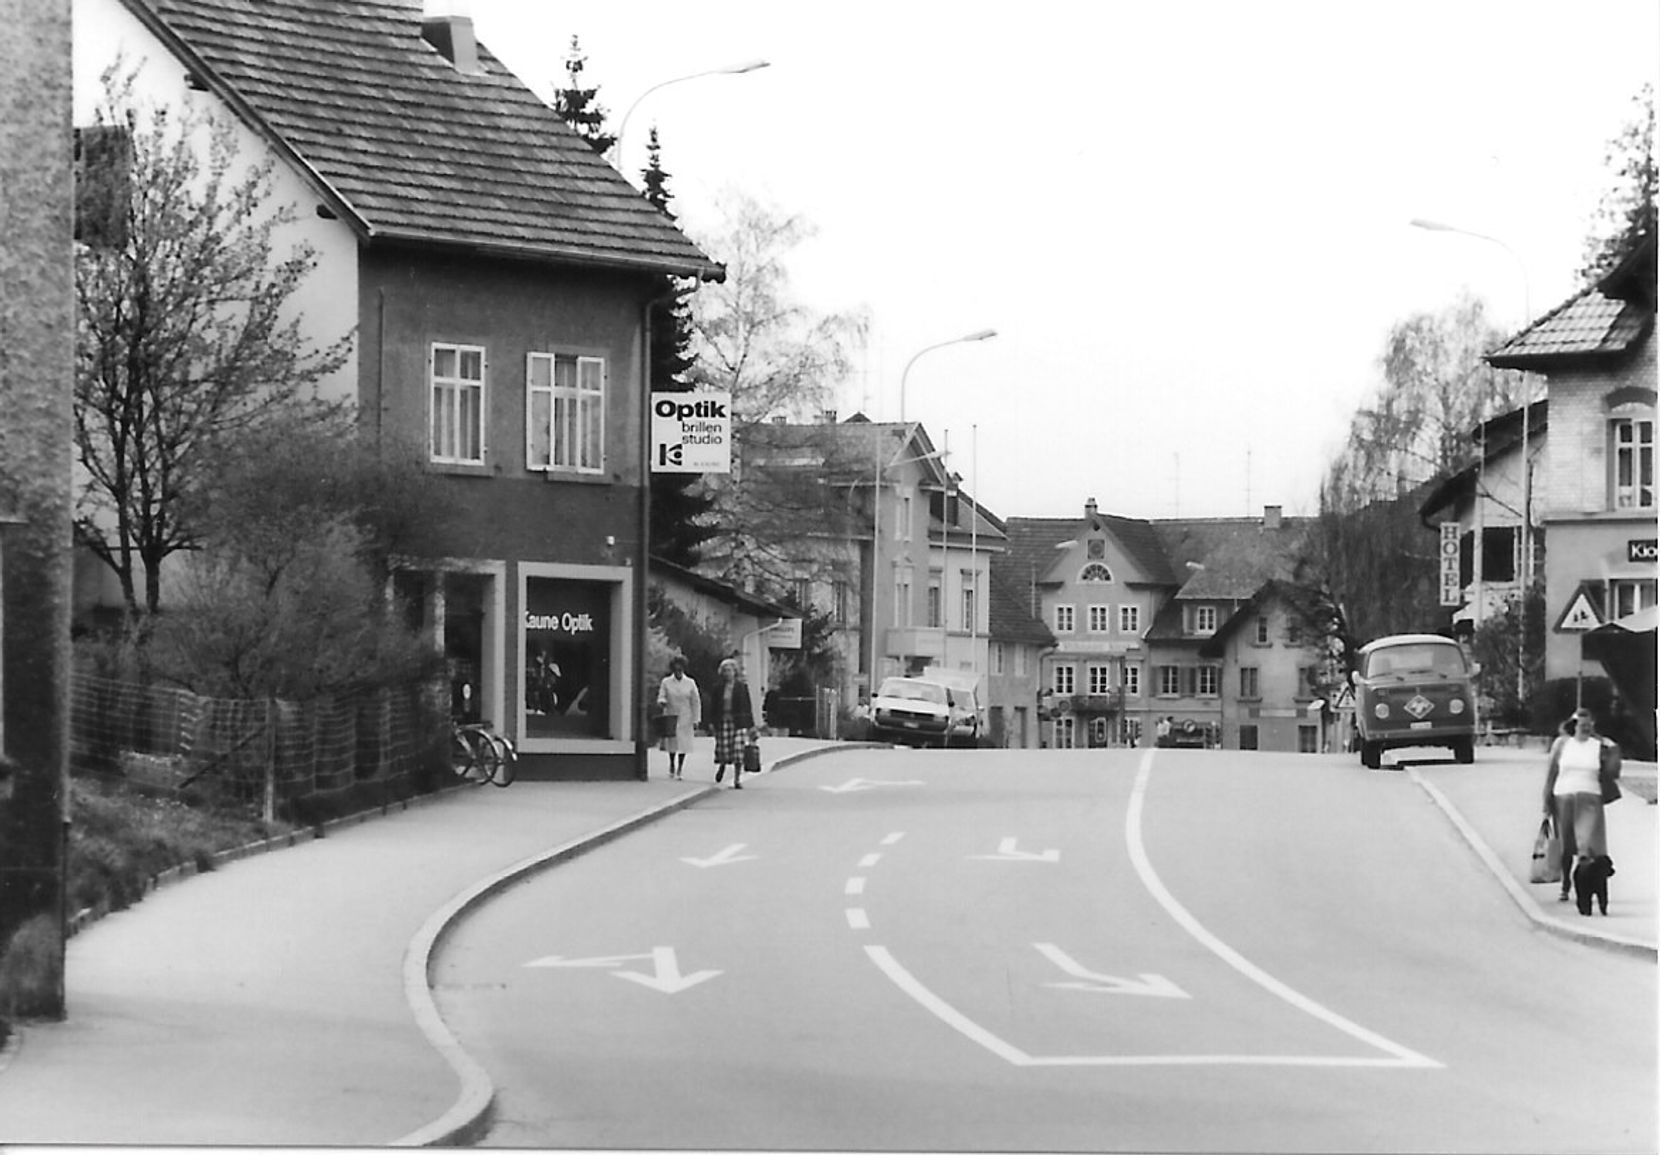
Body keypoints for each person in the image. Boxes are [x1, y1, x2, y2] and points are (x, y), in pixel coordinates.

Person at [1542, 707, 1617, 914]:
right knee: (1567, 845)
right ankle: (1566, 885)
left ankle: (1585, 890)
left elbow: (1613, 772)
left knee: (1587, 846)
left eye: (1587, 725)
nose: (1584, 728)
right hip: (1563, 796)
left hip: (1590, 798)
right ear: (1573, 725)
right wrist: (1546, 800)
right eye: (1580, 724)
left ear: (1592, 725)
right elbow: (1552, 773)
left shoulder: (1599, 746)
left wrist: (1613, 750)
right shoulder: (1562, 744)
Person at [708, 656, 757, 789]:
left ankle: (737, 779)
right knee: (723, 750)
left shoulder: (742, 687)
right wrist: (711, 722)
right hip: (723, 721)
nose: (727, 673)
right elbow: (713, 706)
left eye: (730, 670)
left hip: (739, 723)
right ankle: (722, 765)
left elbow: (747, 706)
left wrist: (751, 726)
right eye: (725, 671)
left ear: (735, 672)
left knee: (738, 751)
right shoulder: (718, 688)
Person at [655, 656, 701, 780]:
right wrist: (662, 701)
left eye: (680, 669)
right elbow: (661, 695)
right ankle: (671, 764)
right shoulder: (666, 682)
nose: (678, 672)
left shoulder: (690, 683)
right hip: (671, 714)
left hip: (686, 715)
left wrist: (696, 719)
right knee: (672, 742)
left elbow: (695, 701)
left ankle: (680, 768)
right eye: (676, 670)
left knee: (683, 743)